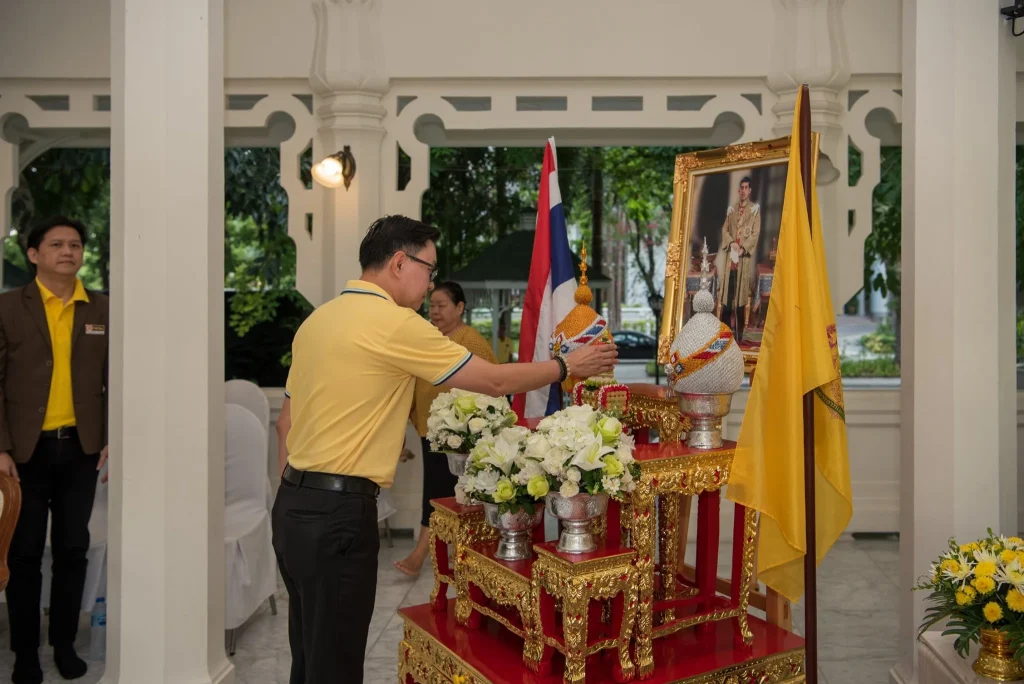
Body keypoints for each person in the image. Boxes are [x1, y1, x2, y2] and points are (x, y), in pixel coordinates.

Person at [272, 215, 616, 684]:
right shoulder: (394, 322)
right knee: (335, 667)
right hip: (339, 515)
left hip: (292, 507)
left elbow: (285, 423)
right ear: (399, 263)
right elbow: (492, 381)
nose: (431, 284)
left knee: (309, 656)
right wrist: (565, 365)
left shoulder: (317, 320)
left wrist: (298, 496)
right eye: (429, 270)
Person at [0, 216, 109, 684]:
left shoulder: (102, 308)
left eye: (75, 245)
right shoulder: (8, 307)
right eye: (57, 244)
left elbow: (118, 377)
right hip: (24, 455)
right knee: (23, 553)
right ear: (33, 254)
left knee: (72, 549)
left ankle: (64, 644)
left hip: (81, 450)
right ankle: (25, 653)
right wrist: (0, 447)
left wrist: (114, 435)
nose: (68, 252)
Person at [393, 281, 497, 578]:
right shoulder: (429, 337)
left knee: (443, 494)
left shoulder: (471, 341)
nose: (435, 311)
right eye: (432, 306)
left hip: (460, 437)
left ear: (460, 307)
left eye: (442, 305)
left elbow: (493, 383)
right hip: (431, 431)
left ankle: (424, 553)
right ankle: (446, 551)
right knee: (439, 493)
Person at [715, 176, 761, 344]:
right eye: (741, 187)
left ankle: (740, 335)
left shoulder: (754, 210)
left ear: (750, 190)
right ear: (738, 190)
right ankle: (725, 335)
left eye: (746, 187)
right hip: (731, 260)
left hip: (743, 259)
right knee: (727, 299)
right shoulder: (732, 209)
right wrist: (732, 243)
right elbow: (725, 230)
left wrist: (743, 248)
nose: (743, 190)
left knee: (741, 300)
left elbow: (755, 234)